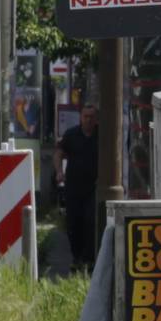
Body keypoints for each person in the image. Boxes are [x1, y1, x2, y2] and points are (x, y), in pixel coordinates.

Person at [56, 103, 101, 266]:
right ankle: (77, 256)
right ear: (81, 118)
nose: (88, 120)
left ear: (96, 119)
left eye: (91, 117)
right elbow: (59, 153)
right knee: (73, 223)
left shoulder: (101, 135)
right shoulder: (71, 134)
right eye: (85, 117)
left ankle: (88, 258)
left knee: (90, 220)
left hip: (93, 186)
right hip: (73, 186)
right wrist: (59, 172)